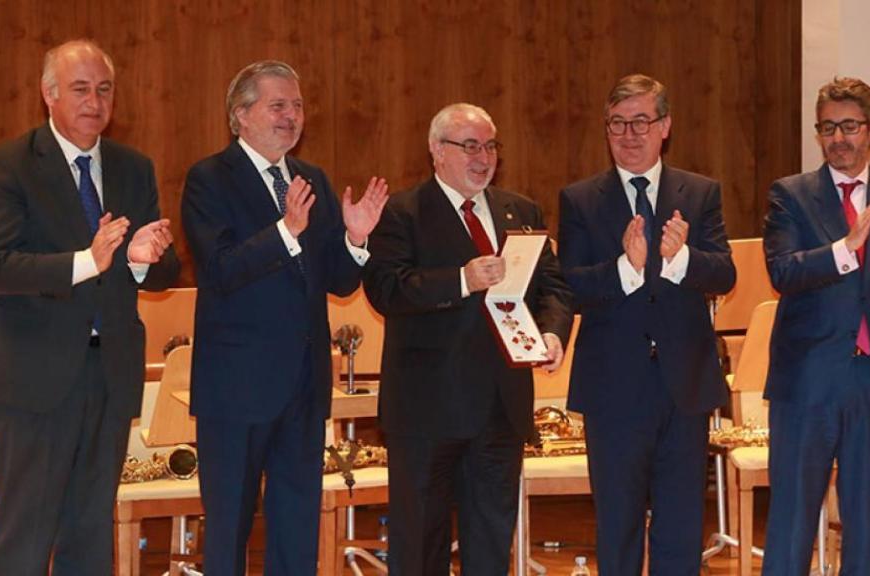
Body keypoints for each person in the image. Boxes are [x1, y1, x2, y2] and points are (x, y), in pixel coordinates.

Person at [0, 39, 180, 573]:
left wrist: (142, 260)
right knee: (26, 535)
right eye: (81, 89)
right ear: (49, 95)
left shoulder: (132, 166)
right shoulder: (11, 163)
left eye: (104, 90)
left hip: (109, 372)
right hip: (31, 377)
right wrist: (87, 260)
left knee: (89, 532)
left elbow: (164, 268)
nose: (94, 101)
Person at [181, 60, 388, 574]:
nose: (292, 116)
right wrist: (285, 231)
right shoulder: (209, 179)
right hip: (236, 390)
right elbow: (221, 269)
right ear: (241, 115)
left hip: (302, 385)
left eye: (297, 105)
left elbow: (337, 281)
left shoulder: (309, 177)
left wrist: (356, 239)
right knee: (229, 531)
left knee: (297, 527)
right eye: (278, 105)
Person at [362, 103, 573, 575]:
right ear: (437, 151)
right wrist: (460, 279)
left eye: (490, 146)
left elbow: (553, 287)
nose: (483, 157)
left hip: (500, 410)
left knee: (490, 552)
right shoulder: (402, 212)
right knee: (419, 550)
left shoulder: (520, 210)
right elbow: (386, 289)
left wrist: (552, 332)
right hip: (426, 413)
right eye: (470, 146)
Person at [557, 73, 736, 575]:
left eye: (641, 121)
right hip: (613, 389)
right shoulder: (580, 199)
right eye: (617, 123)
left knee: (681, 530)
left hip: (685, 386)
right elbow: (569, 285)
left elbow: (725, 272)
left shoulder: (699, 193)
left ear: (665, 126)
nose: (628, 134)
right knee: (618, 528)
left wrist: (681, 260)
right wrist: (626, 268)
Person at [761, 77, 870, 574]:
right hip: (808, 383)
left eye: (850, 126)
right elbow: (783, 272)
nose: (838, 138)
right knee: (792, 524)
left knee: (865, 529)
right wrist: (846, 247)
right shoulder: (790, 195)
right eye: (828, 127)